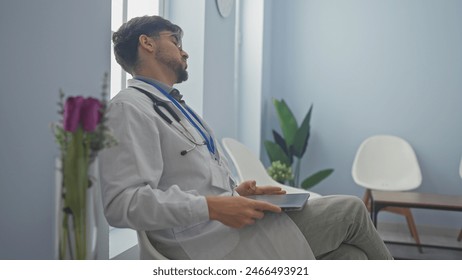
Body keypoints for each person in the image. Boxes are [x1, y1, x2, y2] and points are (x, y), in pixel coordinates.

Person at [99, 15, 393, 260]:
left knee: (352, 258)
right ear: (147, 43)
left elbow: (188, 179)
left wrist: (237, 194)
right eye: (175, 42)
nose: (184, 52)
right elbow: (123, 203)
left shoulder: (174, 106)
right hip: (204, 242)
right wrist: (213, 206)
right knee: (351, 211)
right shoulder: (128, 108)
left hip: (222, 228)